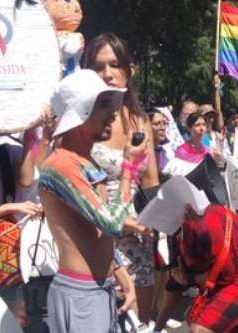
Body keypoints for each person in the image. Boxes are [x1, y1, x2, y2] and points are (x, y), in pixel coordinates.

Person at [39, 69, 144, 333]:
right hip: (82, 295)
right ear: (80, 111)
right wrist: (129, 168)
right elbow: (111, 223)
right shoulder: (62, 164)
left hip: (98, 290)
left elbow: (97, 230)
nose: (112, 113)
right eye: (102, 104)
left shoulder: (85, 161)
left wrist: (118, 268)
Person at [83, 32, 159, 324]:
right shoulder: (82, 120)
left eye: (115, 65)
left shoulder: (140, 120)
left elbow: (151, 182)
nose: (107, 74)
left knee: (141, 320)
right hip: (99, 235)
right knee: (109, 318)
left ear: (129, 70)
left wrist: (159, 225)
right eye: (99, 66)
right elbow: (76, 188)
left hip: (140, 235)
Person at [155, 205, 238, 332]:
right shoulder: (173, 235)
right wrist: (157, 329)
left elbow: (226, 275)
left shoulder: (205, 223)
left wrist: (189, 279)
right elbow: (175, 285)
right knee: (194, 316)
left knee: (201, 328)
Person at [147, 107, 175, 173]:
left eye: (164, 123)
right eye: (157, 124)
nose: (163, 128)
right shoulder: (139, 154)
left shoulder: (168, 154)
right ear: (146, 126)